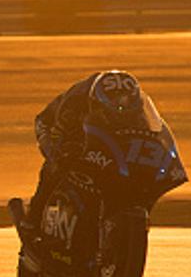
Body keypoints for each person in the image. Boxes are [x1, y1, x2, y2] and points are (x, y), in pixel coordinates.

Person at [19, 70, 146, 234]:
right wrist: (62, 153)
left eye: (125, 107)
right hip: (53, 126)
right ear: (98, 103)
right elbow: (58, 135)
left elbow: (146, 131)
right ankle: (33, 218)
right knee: (56, 163)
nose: (121, 111)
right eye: (115, 107)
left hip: (96, 129)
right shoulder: (74, 105)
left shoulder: (136, 105)